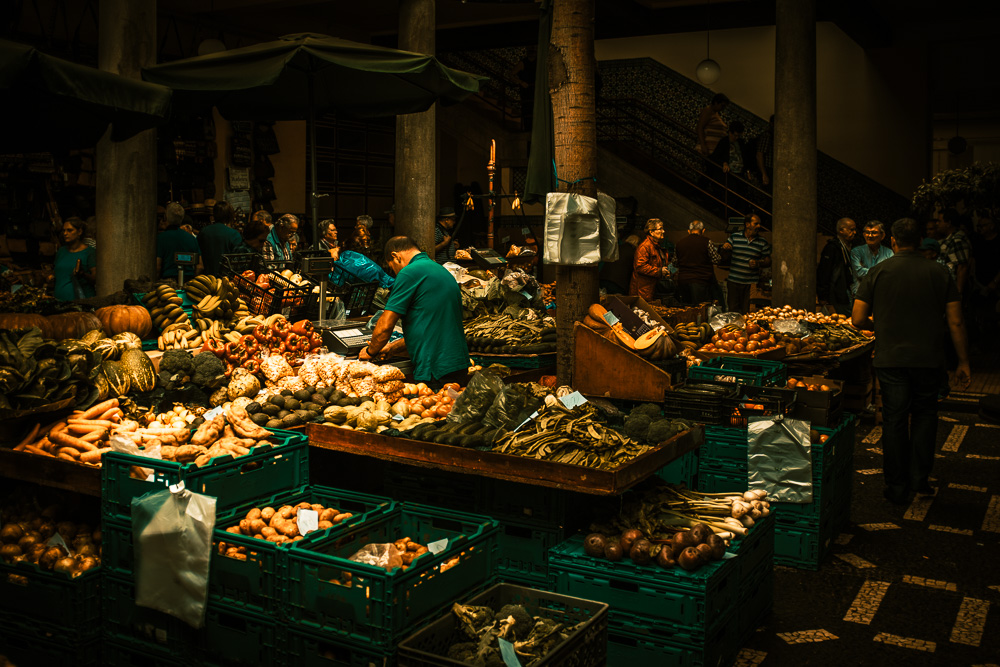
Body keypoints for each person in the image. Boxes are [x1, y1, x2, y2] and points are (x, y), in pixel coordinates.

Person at [852, 218, 970, 505]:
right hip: (929, 359)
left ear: (892, 241)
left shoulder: (878, 271)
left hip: (891, 359)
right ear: (920, 241)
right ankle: (920, 480)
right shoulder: (940, 272)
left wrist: (881, 327)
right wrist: (963, 362)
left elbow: (857, 319)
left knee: (894, 421)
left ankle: (896, 487)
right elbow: (955, 321)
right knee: (925, 417)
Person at [360, 236, 470, 388]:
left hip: (435, 368)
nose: (395, 273)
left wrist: (370, 351)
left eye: (392, 268)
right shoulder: (439, 269)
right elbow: (431, 326)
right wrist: (392, 348)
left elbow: (386, 323)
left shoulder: (409, 272)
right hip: (457, 364)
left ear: (395, 256)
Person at [316, 220, 394, 289]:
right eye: (332, 230)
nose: (336, 232)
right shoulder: (321, 249)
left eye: (335, 229)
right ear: (324, 233)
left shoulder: (347, 254)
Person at [722, 214, 771, 313]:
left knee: (748, 312)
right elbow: (724, 257)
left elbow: (768, 261)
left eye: (759, 224)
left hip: (750, 284)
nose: (758, 226)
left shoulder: (762, 242)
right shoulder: (734, 237)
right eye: (756, 224)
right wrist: (725, 248)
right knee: (733, 311)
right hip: (734, 282)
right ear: (747, 224)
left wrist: (758, 263)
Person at [674, 220, 722, 305]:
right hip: (701, 281)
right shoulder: (707, 242)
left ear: (689, 231)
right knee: (701, 309)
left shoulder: (679, 243)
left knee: (686, 309)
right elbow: (716, 259)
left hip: (683, 281)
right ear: (703, 230)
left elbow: (675, 262)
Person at [816, 217, 857, 314]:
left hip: (849, 291)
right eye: (851, 230)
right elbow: (823, 273)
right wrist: (822, 295)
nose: (854, 232)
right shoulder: (832, 248)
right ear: (841, 230)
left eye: (855, 230)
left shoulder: (853, 247)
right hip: (838, 293)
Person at [51, 217, 96, 301]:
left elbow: (96, 279)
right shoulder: (61, 251)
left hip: (81, 302)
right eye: (63, 230)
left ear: (79, 232)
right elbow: (58, 274)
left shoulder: (89, 252)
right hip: (59, 301)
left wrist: (83, 274)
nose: (65, 233)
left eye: (69, 230)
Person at [156, 202, 202, 279]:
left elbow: (157, 266)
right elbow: (200, 266)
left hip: (167, 283)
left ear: (166, 218)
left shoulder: (161, 238)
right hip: (189, 281)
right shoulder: (191, 238)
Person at [198, 201, 243, 276]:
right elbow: (238, 261)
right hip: (227, 278)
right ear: (230, 215)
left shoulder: (204, 231)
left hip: (206, 278)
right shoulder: (234, 234)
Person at [630, 218, 669, 301]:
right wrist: (659, 271)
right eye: (660, 229)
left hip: (651, 288)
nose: (663, 231)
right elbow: (640, 267)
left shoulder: (656, 246)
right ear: (651, 232)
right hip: (643, 290)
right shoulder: (645, 247)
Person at [850, 220, 893, 292]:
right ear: (864, 235)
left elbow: (890, 274)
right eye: (867, 232)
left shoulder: (889, 253)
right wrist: (881, 272)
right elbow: (859, 273)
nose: (870, 235)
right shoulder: (856, 252)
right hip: (861, 294)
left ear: (882, 236)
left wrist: (866, 270)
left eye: (874, 233)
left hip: (881, 293)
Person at [937, 207, 972, 295]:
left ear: (948, 223)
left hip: (953, 289)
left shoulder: (957, 240)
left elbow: (962, 267)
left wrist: (958, 292)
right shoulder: (949, 239)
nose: (937, 224)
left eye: (940, 221)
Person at [696, 93, 730, 158]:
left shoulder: (715, 113)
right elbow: (700, 127)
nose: (723, 108)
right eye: (722, 106)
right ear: (716, 102)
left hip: (711, 149)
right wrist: (703, 145)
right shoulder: (708, 111)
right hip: (705, 148)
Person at [755, 115, 774, 191]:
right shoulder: (767, 136)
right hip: (767, 169)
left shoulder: (772, 136)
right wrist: (764, 173)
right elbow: (759, 154)